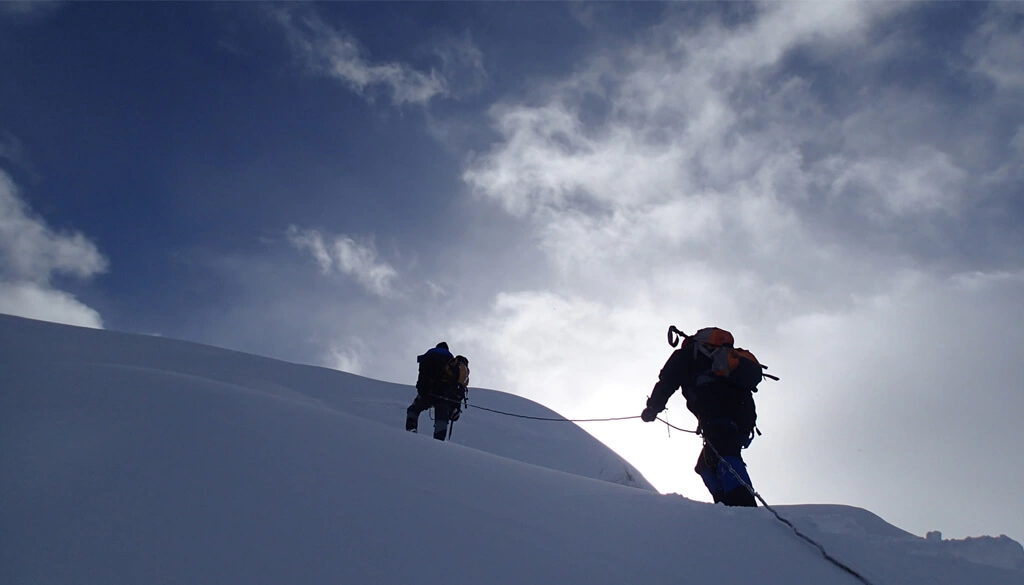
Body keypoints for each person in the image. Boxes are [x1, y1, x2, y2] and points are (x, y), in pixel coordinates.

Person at [640, 328, 759, 507]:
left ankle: (743, 505)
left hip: (716, 411)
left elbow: (667, 381)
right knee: (705, 465)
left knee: (724, 452)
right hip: (743, 415)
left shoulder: (687, 355)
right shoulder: (727, 362)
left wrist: (652, 408)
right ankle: (728, 505)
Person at [406, 342, 469, 441]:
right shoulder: (451, 361)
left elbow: (421, 375)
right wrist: (455, 404)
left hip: (427, 391)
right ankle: (439, 439)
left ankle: (411, 428)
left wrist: (422, 390)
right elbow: (455, 383)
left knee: (414, 408)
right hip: (443, 393)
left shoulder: (428, 356)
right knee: (442, 415)